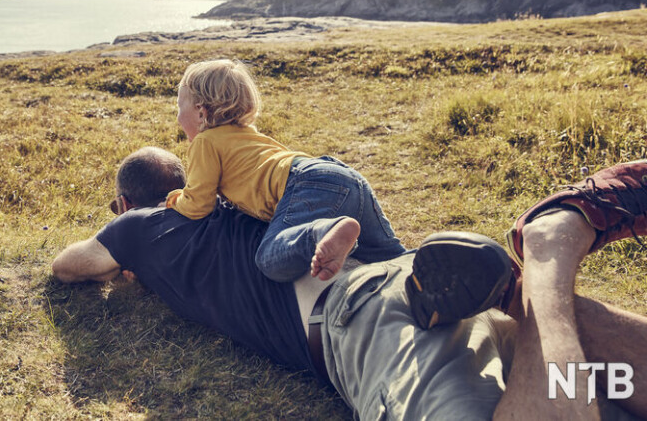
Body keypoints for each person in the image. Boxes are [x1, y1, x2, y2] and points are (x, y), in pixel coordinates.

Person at [53, 149, 647, 419]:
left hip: (362, 320)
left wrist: (125, 254)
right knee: (603, 384)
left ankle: (546, 252)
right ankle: (525, 296)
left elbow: (69, 265)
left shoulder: (139, 225)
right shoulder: (239, 204)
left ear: (127, 201)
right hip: (425, 280)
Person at [167, 59, 405, 282]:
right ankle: (425, 259)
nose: (177, 118)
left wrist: (172, 200)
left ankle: (323, 232)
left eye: (179, 108)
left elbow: (198, 204)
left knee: (270, 260)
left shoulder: (205, 142)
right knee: (390, 255)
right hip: (342, 175)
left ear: (201, 111)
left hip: (304, 183)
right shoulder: (249, 135)